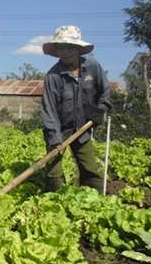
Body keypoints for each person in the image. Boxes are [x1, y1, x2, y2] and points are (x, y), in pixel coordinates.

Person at [40, 25, 111, 191]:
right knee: (53, 172)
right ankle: (54, 201)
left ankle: (96, 201)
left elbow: (105, 90)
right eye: (61, 48)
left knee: (90, 169)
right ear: (56, 51)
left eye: (70, 47)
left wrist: (101, 109)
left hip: (83, 128)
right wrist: (56, 140)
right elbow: (49, 110)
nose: (65, 52)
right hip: (58, 130)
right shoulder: (53, 76)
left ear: (78, 49)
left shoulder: (92, 66)